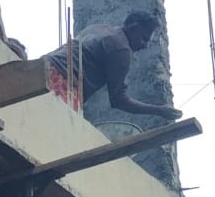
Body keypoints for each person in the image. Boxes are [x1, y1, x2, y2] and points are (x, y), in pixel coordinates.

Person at [47, 10, 182, 120]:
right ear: (134, 28)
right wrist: (159, 111)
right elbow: (118, 99)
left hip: (45, 67)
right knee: (61, 126)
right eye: (144, 39)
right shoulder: (121, 49)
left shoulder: (99, 28)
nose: (145, 45)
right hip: (62, 81)